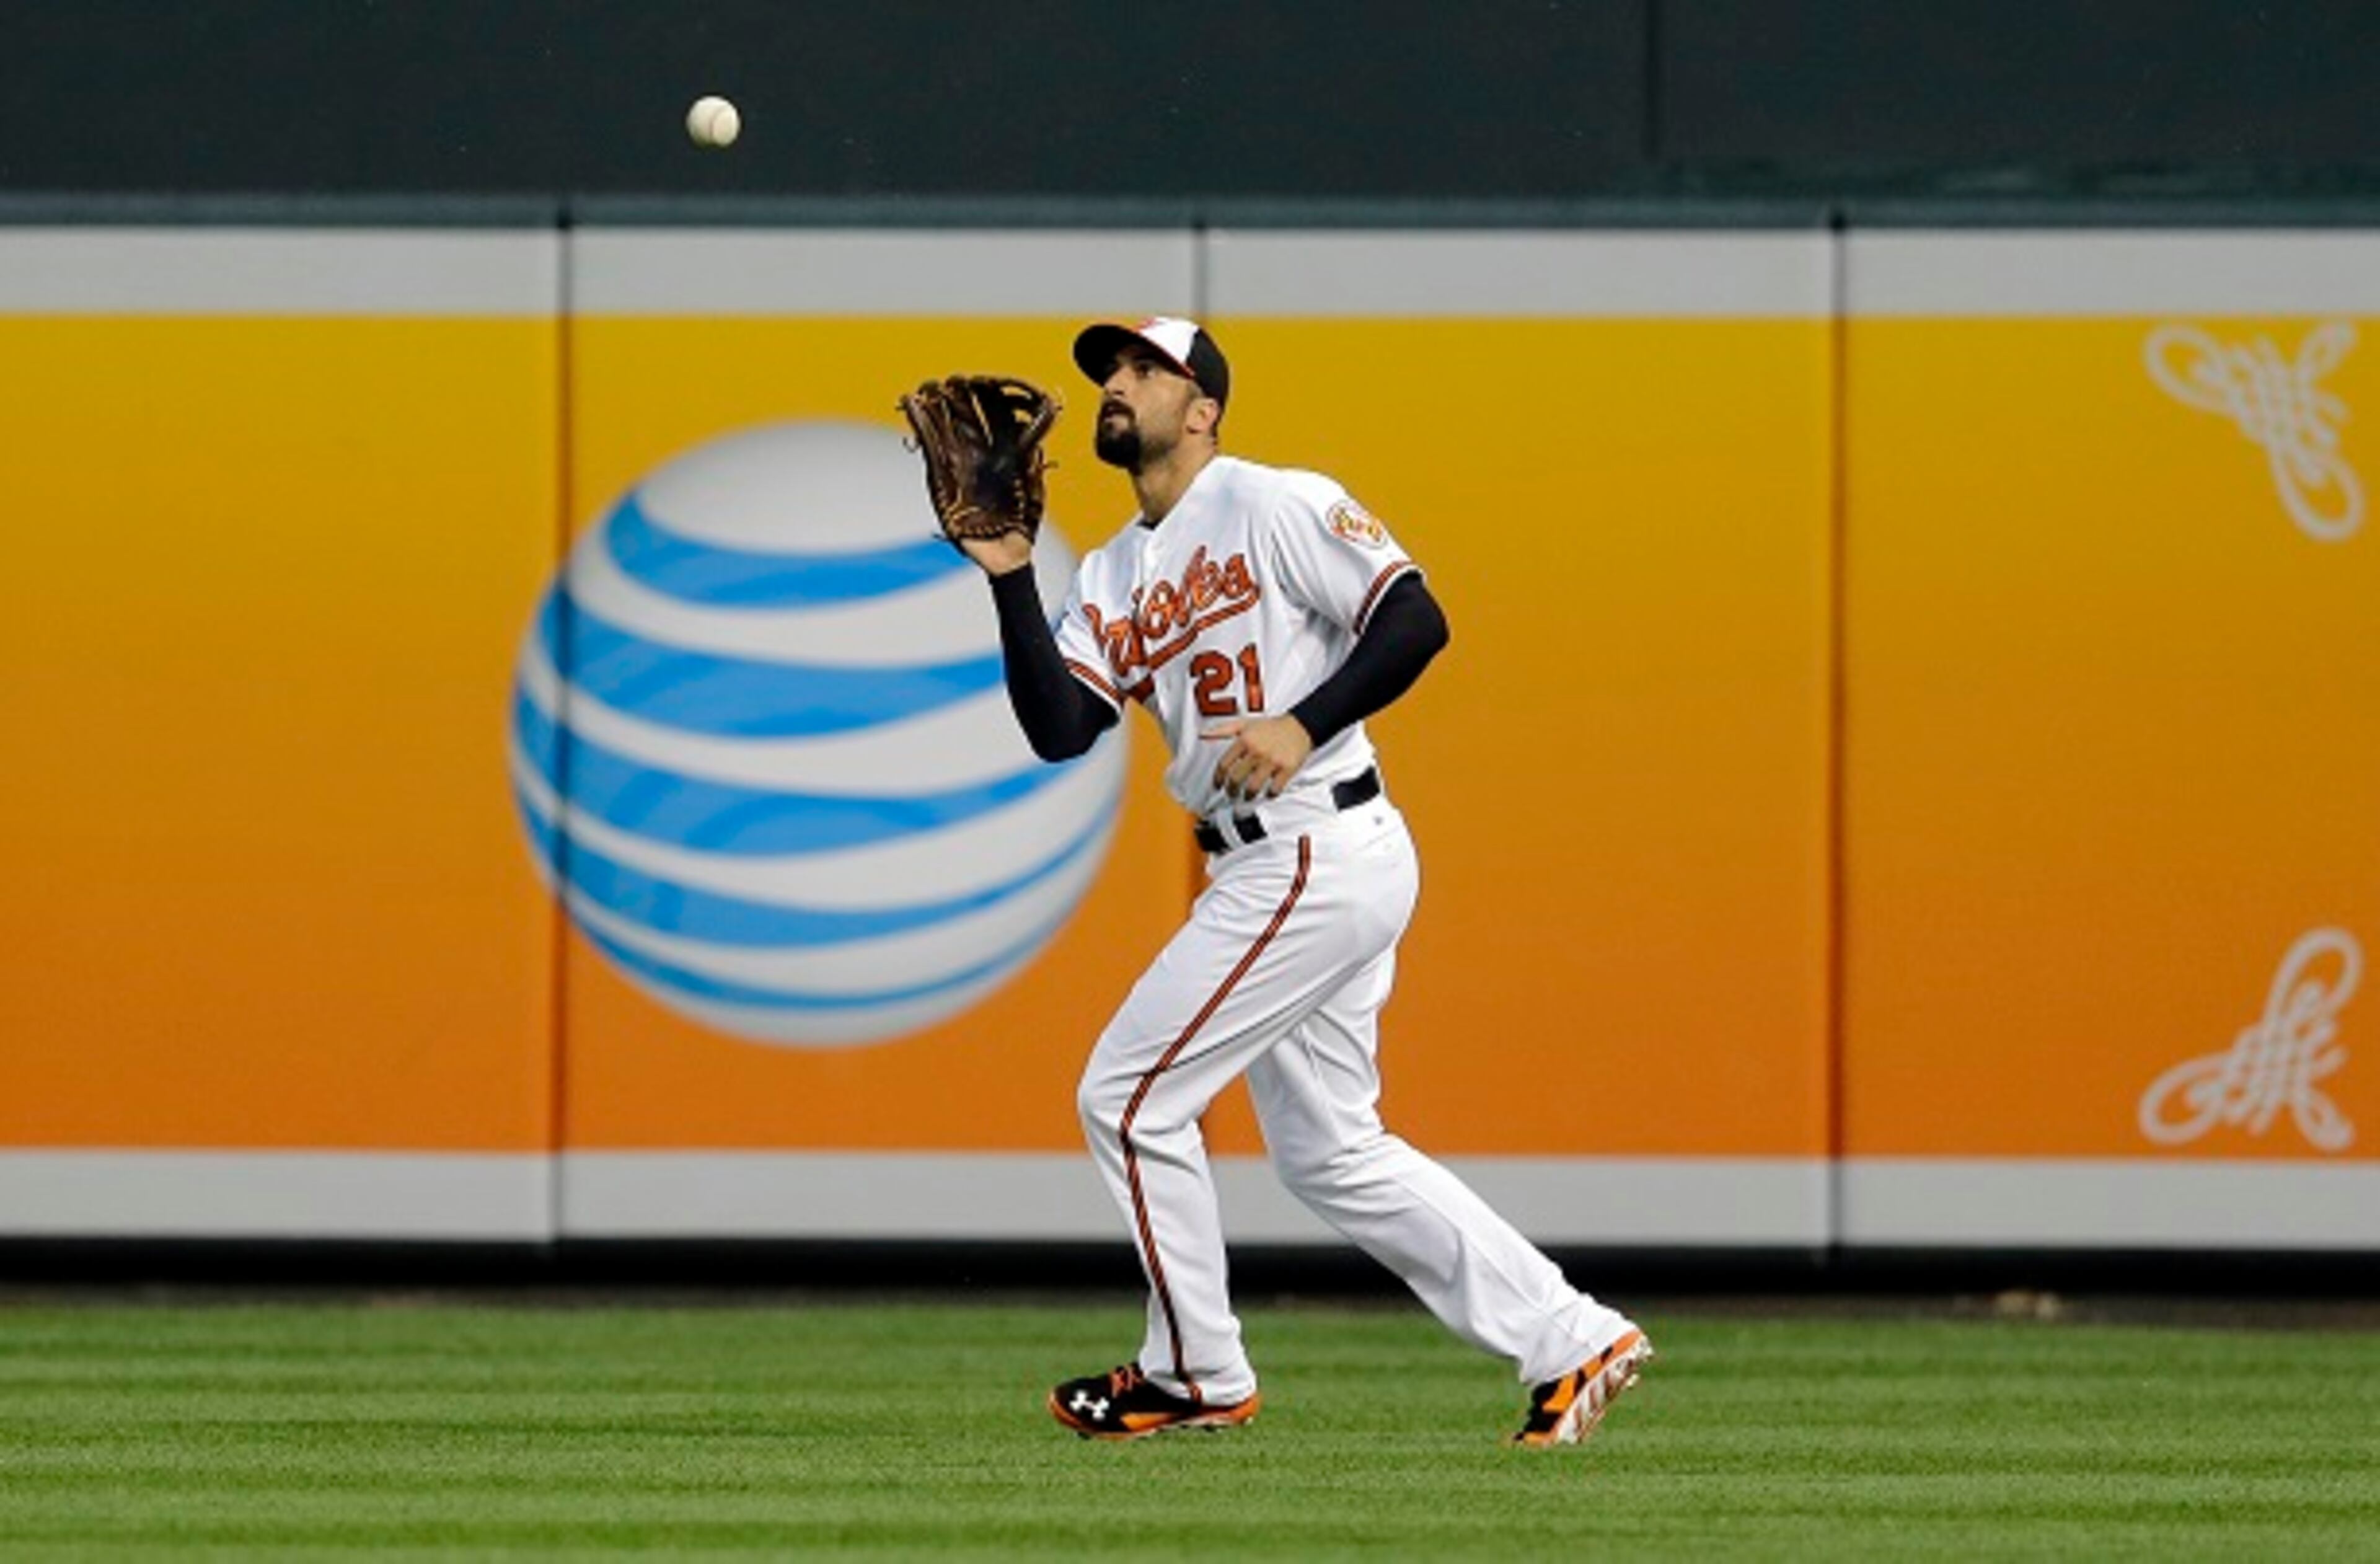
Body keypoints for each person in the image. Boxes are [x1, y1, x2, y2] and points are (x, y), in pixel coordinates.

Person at [961, 317, 1652, 1446]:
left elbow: (1414, 619)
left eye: (1143, 370)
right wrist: (1004, 581)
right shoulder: (1115, 571)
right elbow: (1060, 726)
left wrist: (1304, 719)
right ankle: (1575, 1339)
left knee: (1127, 1100)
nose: (1116, 386)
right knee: (1332, 1152)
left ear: (1204, 410)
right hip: (1279, 859)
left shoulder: (1273, 501)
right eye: (1109, 373)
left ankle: (1193, 1371)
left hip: (1310, 840)